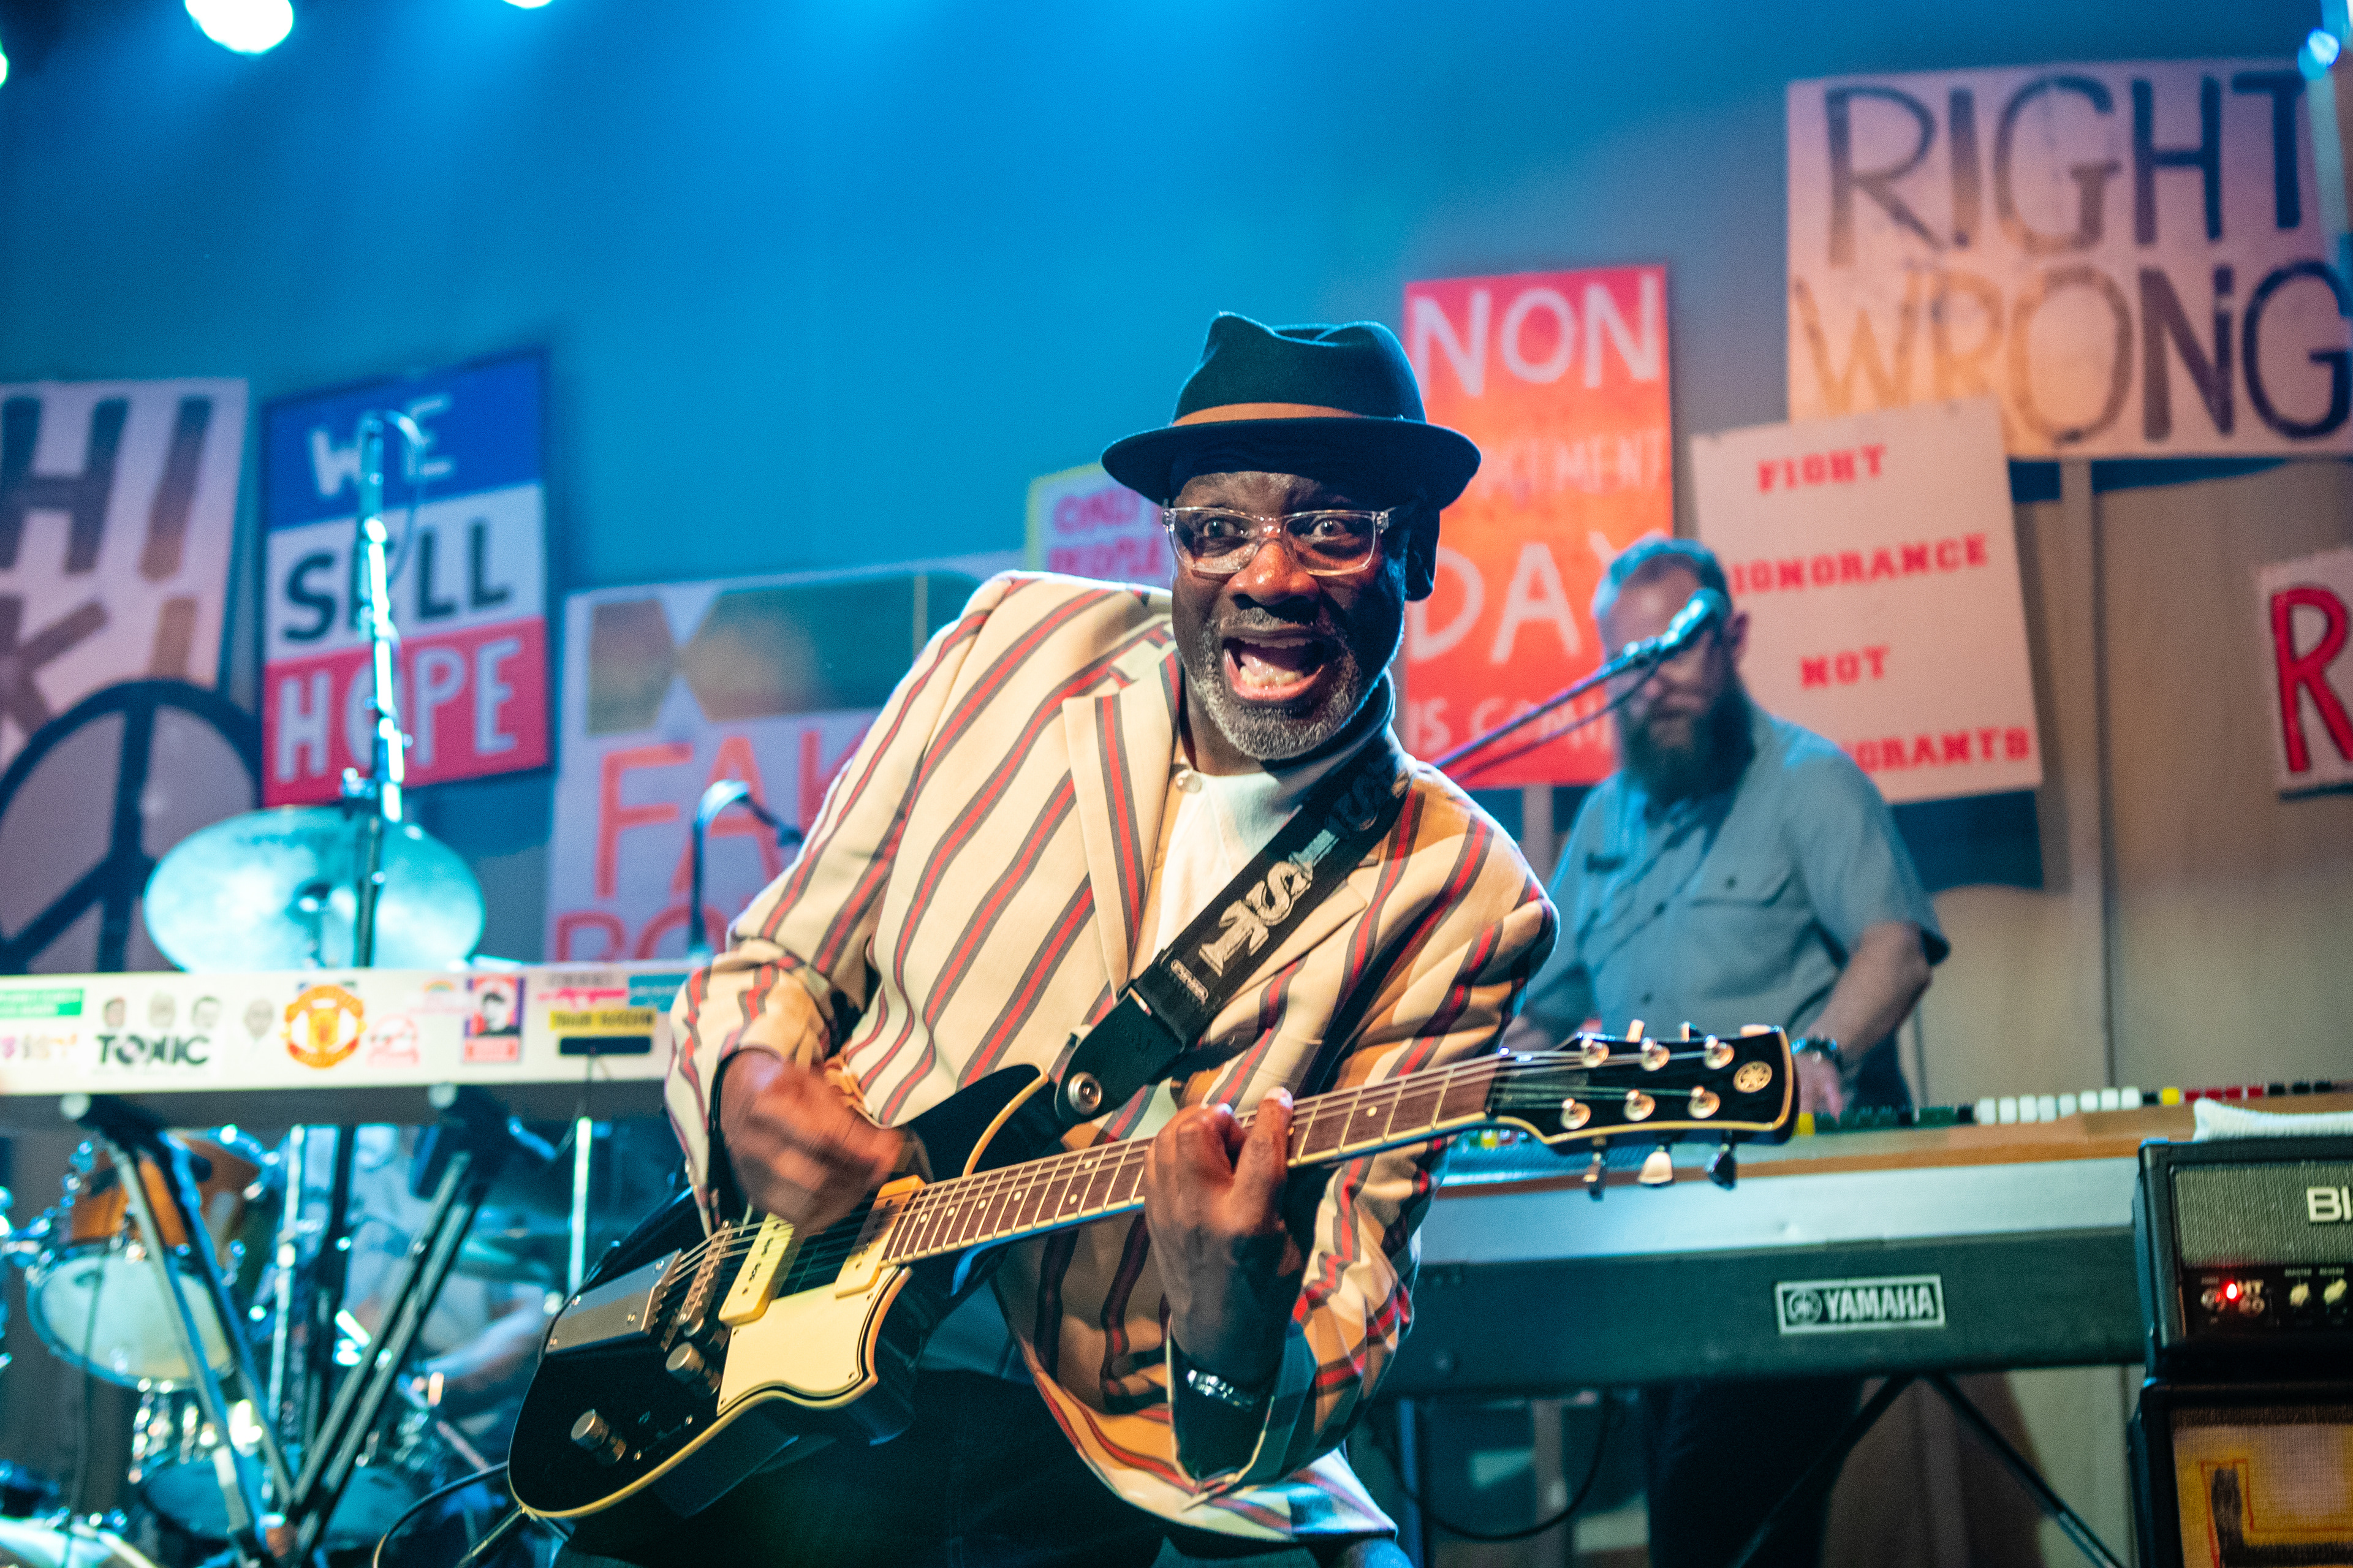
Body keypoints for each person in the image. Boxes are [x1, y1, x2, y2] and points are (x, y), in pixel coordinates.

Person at [603, 315, 1553, 1568]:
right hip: (785, 1373)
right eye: (1218, 529)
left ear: (1415, 549)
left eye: (1328, 525)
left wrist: (1230, 1323)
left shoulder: (1463, 888)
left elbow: (1351, 1290)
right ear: (1175, 549)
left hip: (1111, 1440)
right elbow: (777, 961)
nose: (1266, 575)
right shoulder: (1007, 646)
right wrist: (750, 1082)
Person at [1505, 536, 1947, 1568]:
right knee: (1692, 1528)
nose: (1649, 685)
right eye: (1627, 662)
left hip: (1789, 1231)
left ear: (1734, 639)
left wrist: (1820, 1054)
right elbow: (1539, 1009)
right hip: (1651, 1241)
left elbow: (1898, 947)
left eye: (1675, 651)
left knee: (1716, 1518)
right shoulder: (1606, 820)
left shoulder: (1808, 783)